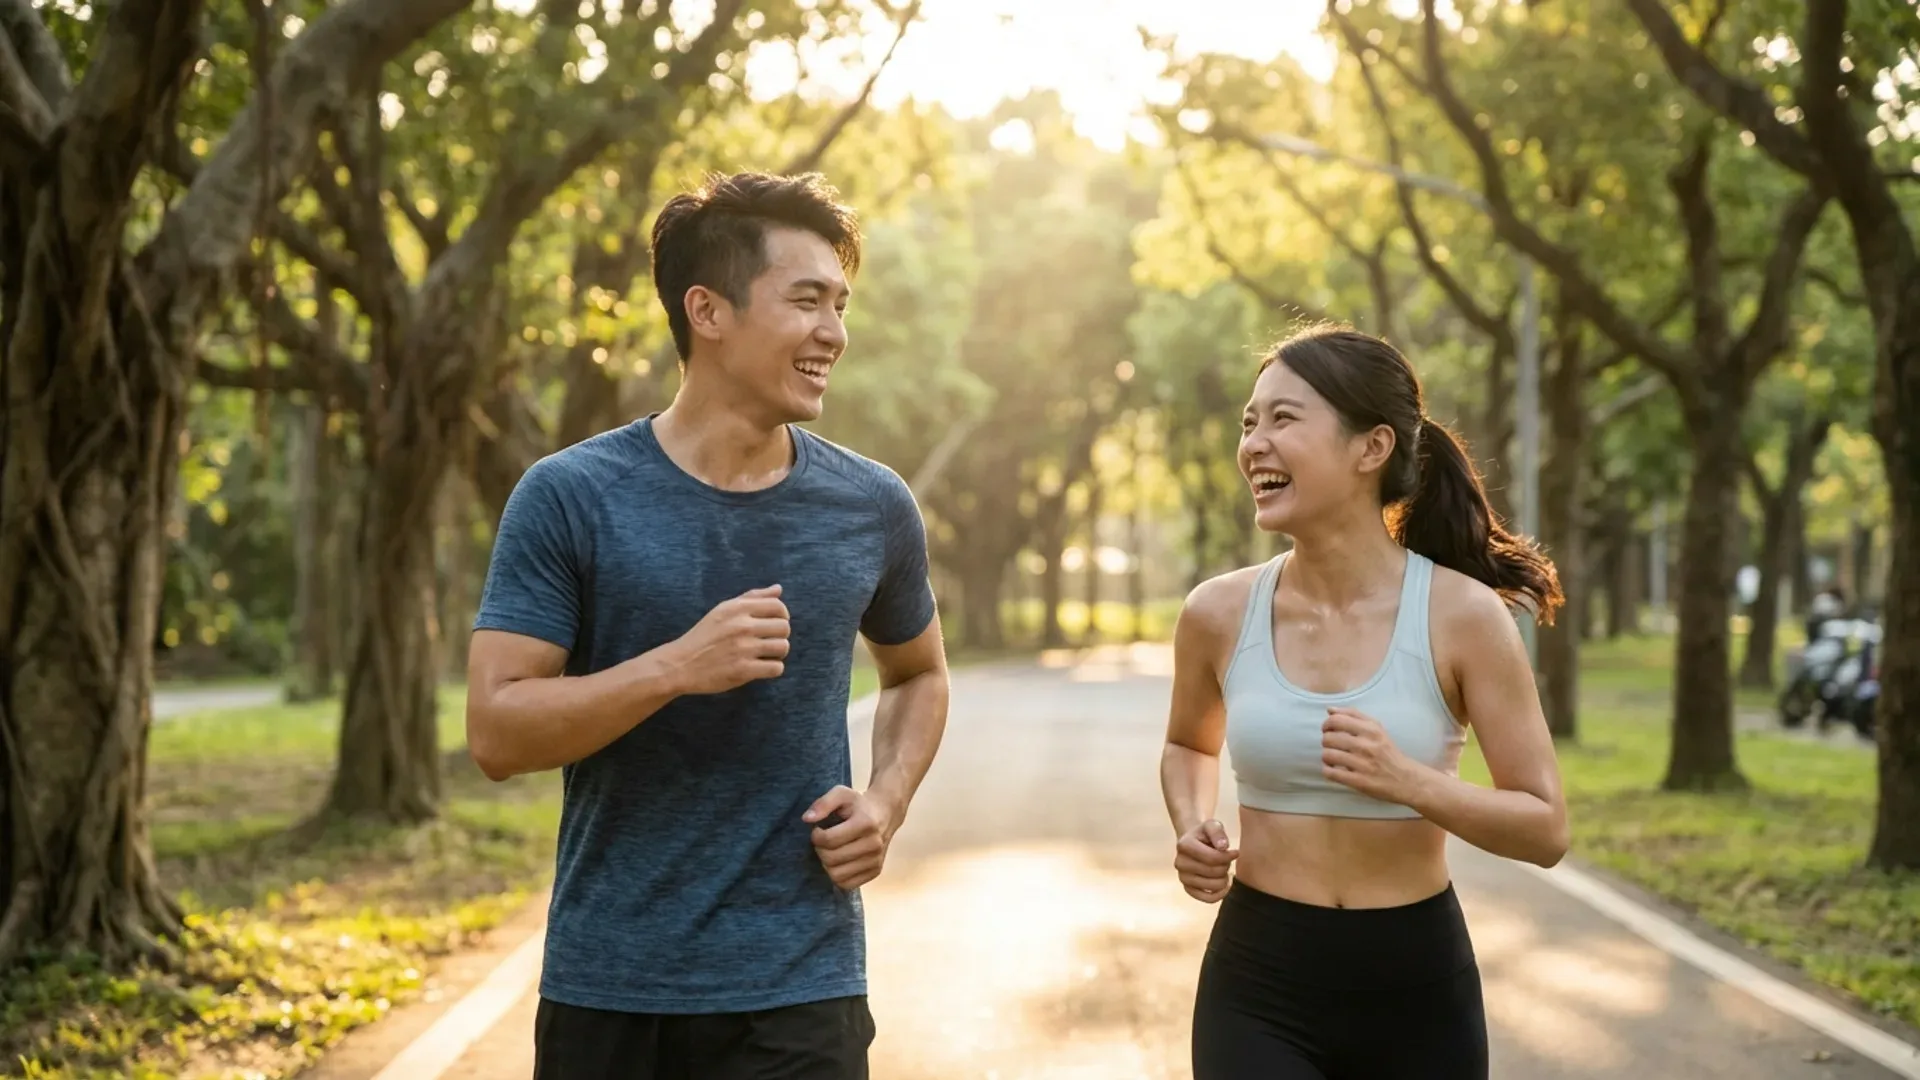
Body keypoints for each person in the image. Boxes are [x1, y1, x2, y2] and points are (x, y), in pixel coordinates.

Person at [465, 171, 951, 1080]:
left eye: (840, 306)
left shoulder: (871, 504)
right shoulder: (570, 496)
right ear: (708, 311)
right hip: (613, 987)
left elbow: (919, 672)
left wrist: (885, 800)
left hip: (802, 986)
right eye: (806, 301)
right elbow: (496, 732)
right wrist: (676, 667)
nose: (834, 334)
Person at [1159, 325, 1569, 1080]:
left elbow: (1544, 829)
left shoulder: (1463, 616)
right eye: (1250, 423)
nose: (1254, 444)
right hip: (1259, 980)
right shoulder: (1217, 612)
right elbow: (1189, 743)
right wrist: (1193, 824)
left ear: (1371, 447)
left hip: (1416, 987)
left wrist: (1411, 781)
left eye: (1284, 419)